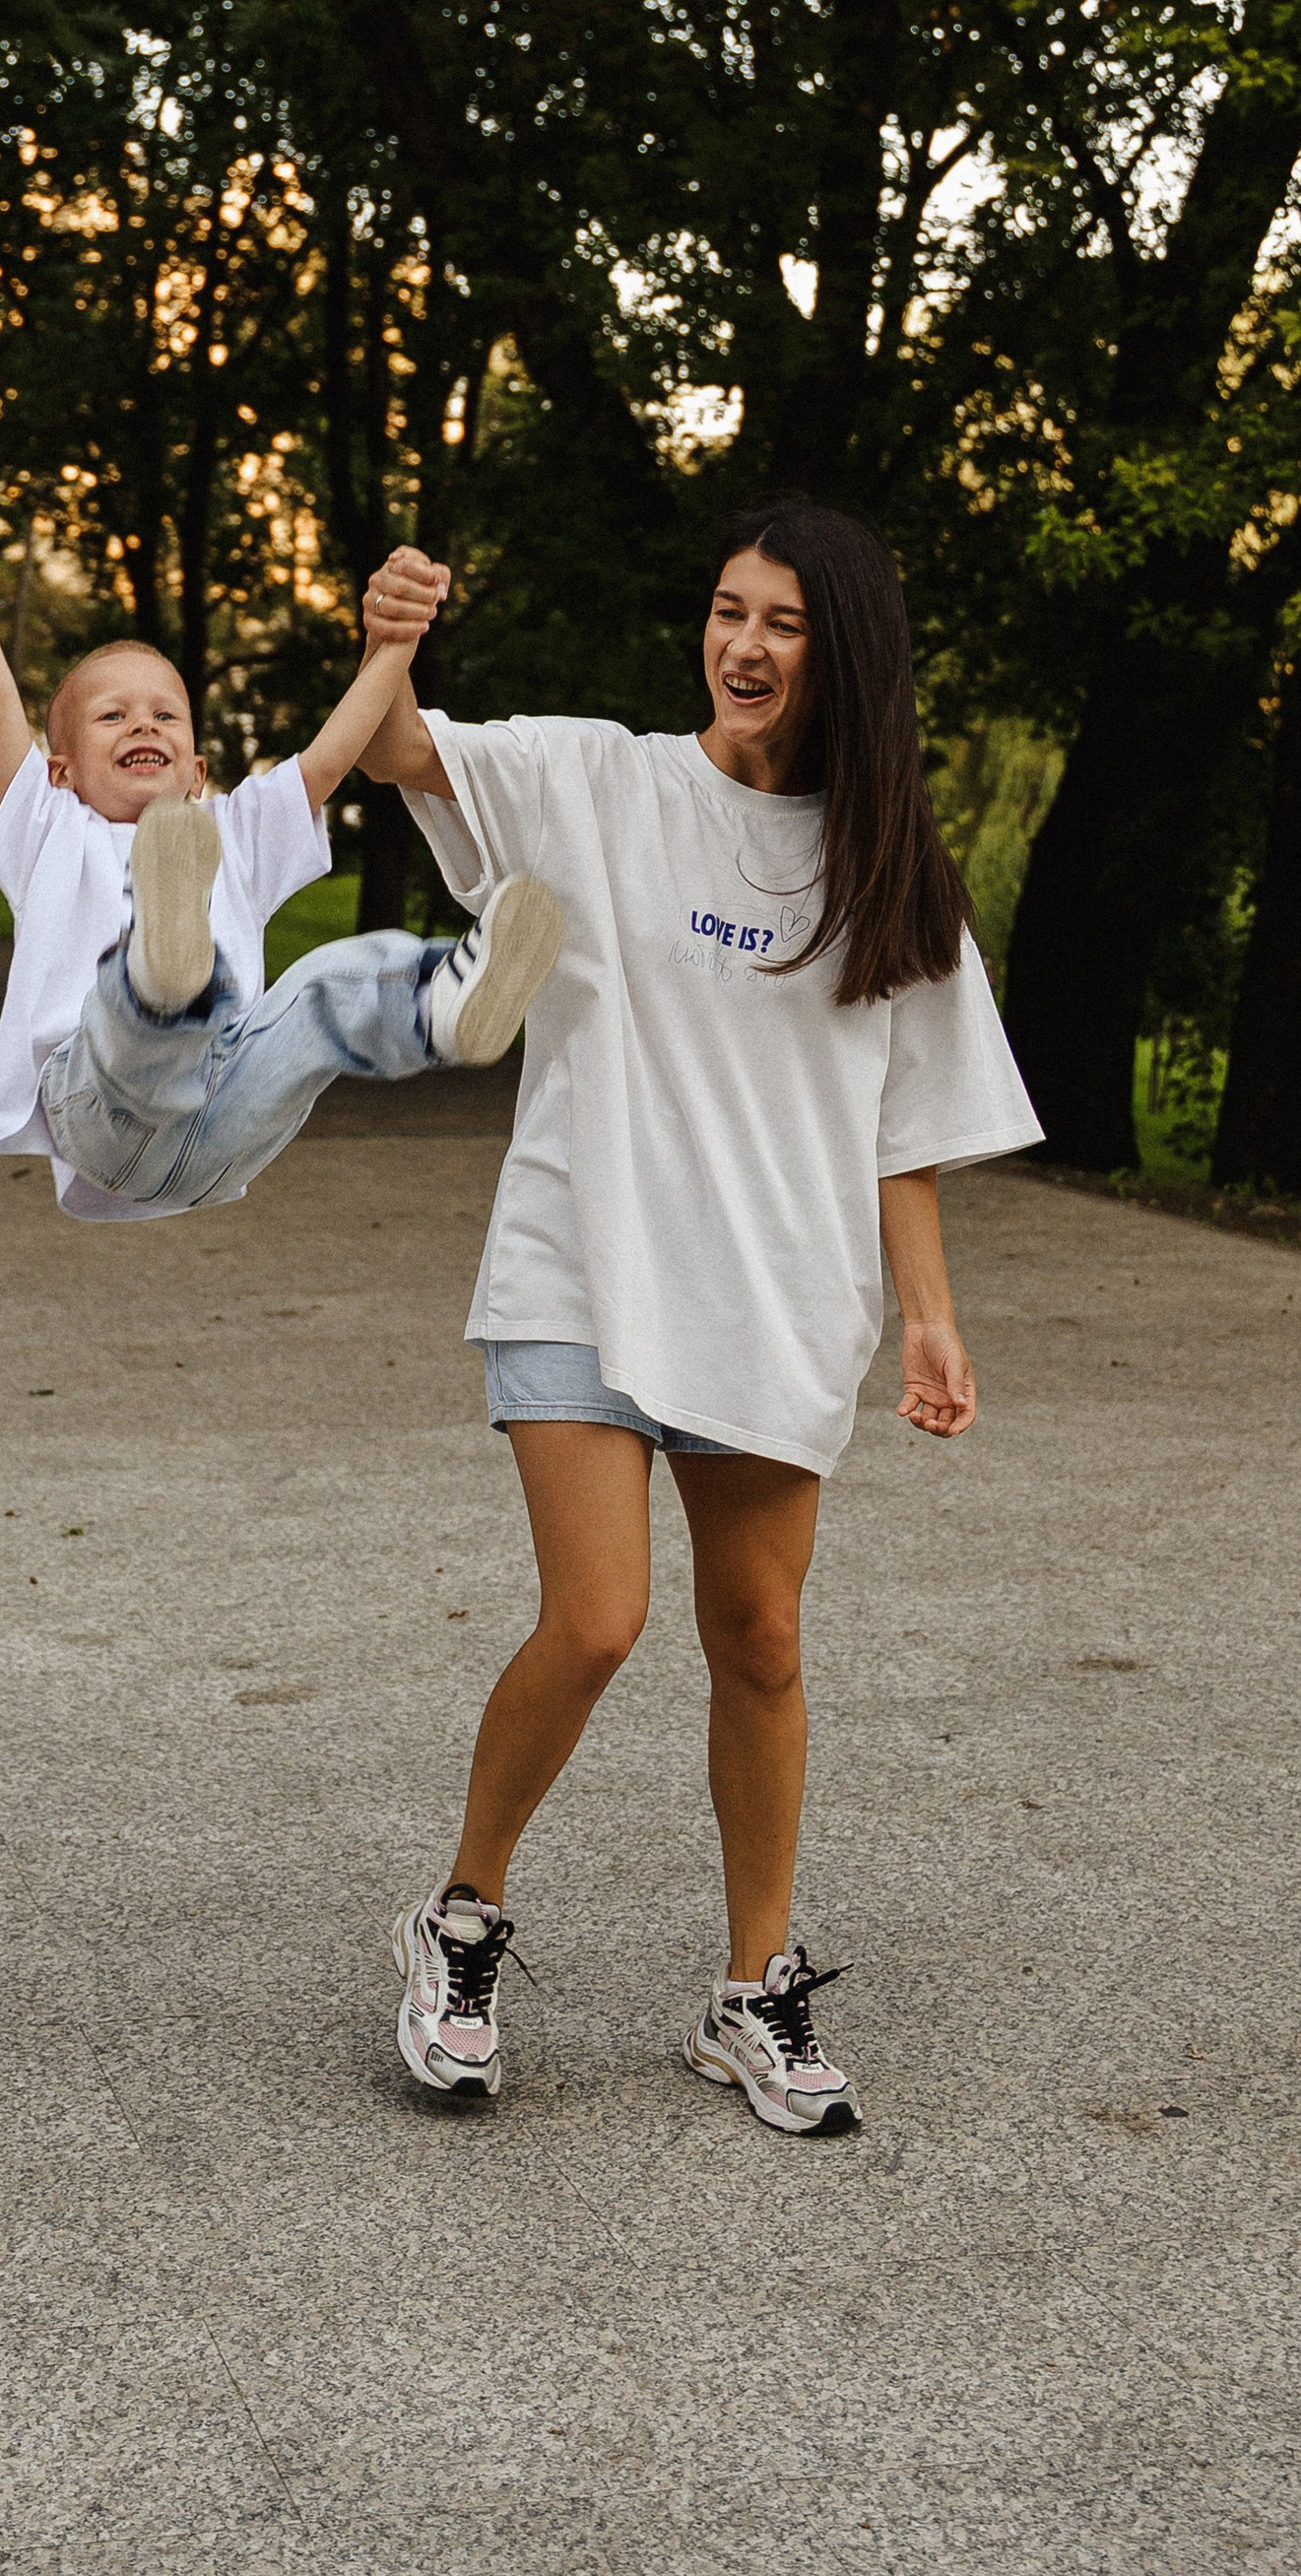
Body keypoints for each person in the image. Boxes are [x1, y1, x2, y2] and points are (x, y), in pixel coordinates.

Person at [358, 496, 1040, 2137]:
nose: (742, 643)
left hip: (777, 1298)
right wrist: (386, 645)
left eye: (782, 624)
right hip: (580, 1263)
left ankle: (754, 1991)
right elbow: (400, 755)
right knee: (599, 1617)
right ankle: (460, 1922)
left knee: (764, 1640)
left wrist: (932, 1318)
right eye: (728, 610)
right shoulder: (604, 782)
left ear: (844, 657)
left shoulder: (892, 873)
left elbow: (906, 1126)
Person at [0, 534, 562, 1222]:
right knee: (132, 1014)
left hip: (223, 1116)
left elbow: (332, 753)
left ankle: (436, 1003)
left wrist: (398, 635)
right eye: (113, 715)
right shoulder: (46, 829)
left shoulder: (234, 830)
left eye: (165, 715)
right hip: (103, 1112)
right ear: (60, 771)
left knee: (323, 992)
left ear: (198, 773)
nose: (143, 722)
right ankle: (161, 983)